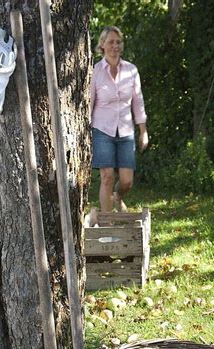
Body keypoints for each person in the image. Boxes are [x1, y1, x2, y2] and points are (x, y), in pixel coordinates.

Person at [90, 26, 148, 212]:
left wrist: (143, 131)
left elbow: (138, 102)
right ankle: (108, 225)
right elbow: (89, 103)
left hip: (125, 131)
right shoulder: (96, 72)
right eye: (111, 42)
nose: (115, 46)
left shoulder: (131, 70)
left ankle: (117, 197)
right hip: (102, 130)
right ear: (102, 45)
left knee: (126, 181)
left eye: (118, 42)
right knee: (107, 177)